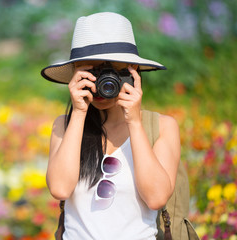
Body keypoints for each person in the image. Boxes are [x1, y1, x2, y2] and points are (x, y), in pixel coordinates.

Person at [41, 12, 180, 240]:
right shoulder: (64, 126)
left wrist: (134, 121)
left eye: (111, 71)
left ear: (132, 69)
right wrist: (78, 112)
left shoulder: (162, 127)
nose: (101, 83)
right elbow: (59, 189)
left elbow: (156, 198)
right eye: (91, 72)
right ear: (76, 71)